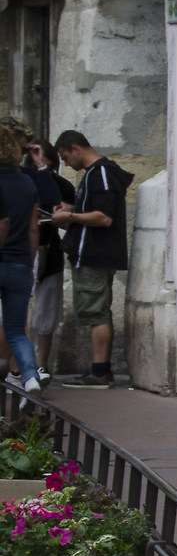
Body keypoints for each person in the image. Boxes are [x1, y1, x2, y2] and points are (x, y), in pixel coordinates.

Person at [49, 130, 130, 387]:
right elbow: (96, 210)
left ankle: (98, 371)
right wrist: (72, 209)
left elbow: (104, 216)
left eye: (65, 157)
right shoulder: (96, 174)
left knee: (96, 313)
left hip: (95, 253)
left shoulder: (101, 173)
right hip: (95, 253)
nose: (67, 164)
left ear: (76, 149)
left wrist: (69, 217)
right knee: (98, 311)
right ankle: (100, 369)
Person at [0, 118, 43, 391]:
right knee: (17, 331)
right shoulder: (27, 184)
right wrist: (29, 263)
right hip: (19, 262)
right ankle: (29, 378)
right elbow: (33, 230)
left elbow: (2, 223)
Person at [25, 139, 72, 379]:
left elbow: (62, 210)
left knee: (46, 309)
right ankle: (16, 366)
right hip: (20, 251)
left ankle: (41, 364)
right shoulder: (20, 180)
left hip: (48, 249)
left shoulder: (60, 184)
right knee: (16, 312)